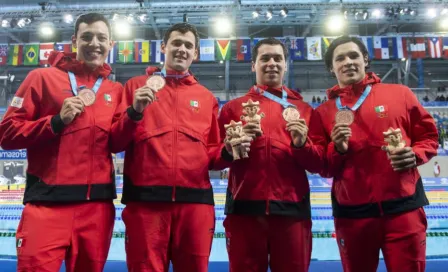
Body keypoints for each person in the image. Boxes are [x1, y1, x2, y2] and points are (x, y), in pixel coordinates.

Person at [0, 13, 121, 272]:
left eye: (101, 38)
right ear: (74, 41)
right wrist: (55, 122)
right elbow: (7, 134)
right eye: (87, 37)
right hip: (47, 205)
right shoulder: (41, 79)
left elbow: (119, 141)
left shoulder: (115, 91)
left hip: (97, 209)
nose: (94, 44)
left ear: (111, 44)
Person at [317, 36, 438, 272]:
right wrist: (338, 149)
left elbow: (429, 137)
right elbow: (322, 166)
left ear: (365, 59)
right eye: (340, 58)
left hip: (404, 210)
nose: (348, 62)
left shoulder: (400, 94)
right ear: (332, 68)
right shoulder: (323, 112)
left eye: (353, 55)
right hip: (353, 216)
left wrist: (415, 155)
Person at [110, 23, 222, 272]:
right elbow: (115, 142)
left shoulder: (206, 98)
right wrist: (134, 112)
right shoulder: (135, 87)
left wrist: (229, 152)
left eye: (188, 46)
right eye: (176, 43)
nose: (182, 49)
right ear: (164, 47)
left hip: (195, 206)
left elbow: (213, 154)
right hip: (145, 205)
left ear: (195, 53)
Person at [217, 38, 325, 272]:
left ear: (286, 65)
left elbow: (319, 163)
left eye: (278, 58)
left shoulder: (304, 110)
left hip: (292, 212)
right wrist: (229, 149)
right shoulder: (232, 109)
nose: (272, 63)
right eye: (265, 58)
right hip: (244, 211)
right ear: (253, 65)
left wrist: (301, 144)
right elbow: (214, 158)